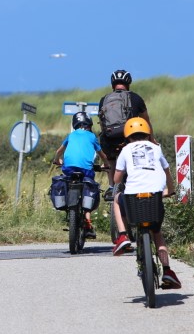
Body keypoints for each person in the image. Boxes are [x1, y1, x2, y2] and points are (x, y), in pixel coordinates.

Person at [111, 117, 181, 290]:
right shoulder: (156, 149)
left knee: (117, 199)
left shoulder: (126, 150)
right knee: (157, 233)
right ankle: (167, 270)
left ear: (128, 135)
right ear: (148, 133)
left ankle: (122, 236)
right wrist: (170, 190)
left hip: (133, 197)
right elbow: (167, 171)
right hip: (154, 196)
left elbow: (116, 178)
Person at [98, 69, 152, 235]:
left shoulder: (104, 100)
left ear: (113, 84)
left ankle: (112, 186)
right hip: (128, 140)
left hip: (109, 139)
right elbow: (146, 121)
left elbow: (102, 123)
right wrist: (152, 140)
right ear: (128, 83)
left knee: (111, 160)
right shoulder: (135, 98)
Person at [52, 111, 110, 239]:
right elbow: (102, 155)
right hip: (86, 170)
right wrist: (106, 164)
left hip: (68, 168)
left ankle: (69, 207)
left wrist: (57, 160)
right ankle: (88, 222)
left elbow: (59, 151)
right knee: (88, 186)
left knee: (67, 181)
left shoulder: (71, 135)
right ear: (89, 124)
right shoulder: (92, 137)